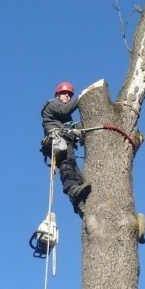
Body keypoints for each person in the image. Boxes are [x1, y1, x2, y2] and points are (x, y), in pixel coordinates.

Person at [41, 81, 91, 214]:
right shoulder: (52, 105)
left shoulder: (66, 118)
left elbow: (73, 126)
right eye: (64, 94)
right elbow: (65, 110)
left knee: (78, 175)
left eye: (69, 95)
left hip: (66, 143)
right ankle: (73, 191)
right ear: (58, 95)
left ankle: (79, 204)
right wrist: (81, 97)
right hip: (58, 142)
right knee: (67, 165)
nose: (67, 97)